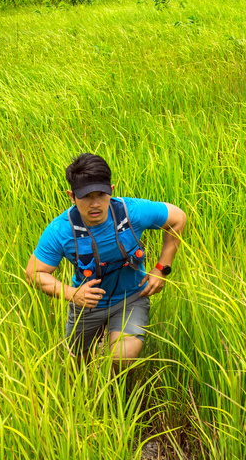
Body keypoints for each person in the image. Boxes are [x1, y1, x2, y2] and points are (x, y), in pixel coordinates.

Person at [25, 153, 186, 369]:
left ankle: (116, 394)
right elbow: (33, 273)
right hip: (87, 304)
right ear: (71, 196)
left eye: (101, 194)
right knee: (77, 366)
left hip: (131, 297)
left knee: (122, 357)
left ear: (111, 190)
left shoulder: (132, 212)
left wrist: (161, 269)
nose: (95, 204)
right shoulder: (60, 230)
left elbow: (178, 218)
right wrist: (72, 294)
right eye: (86, 197)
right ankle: (88, 397)